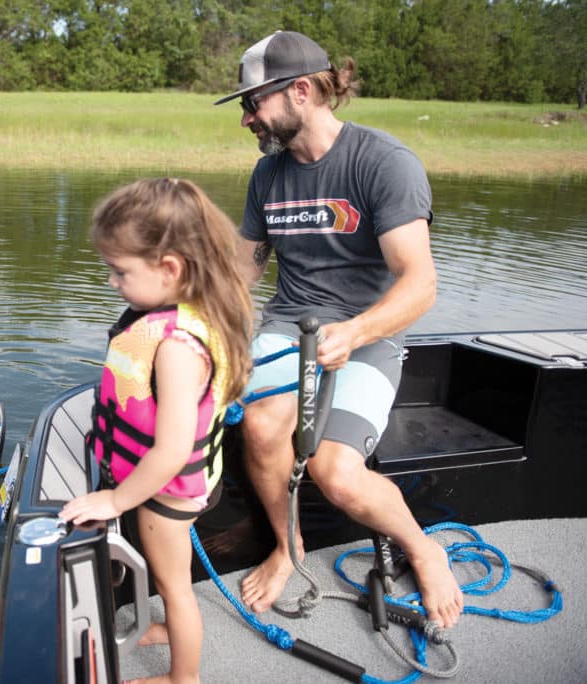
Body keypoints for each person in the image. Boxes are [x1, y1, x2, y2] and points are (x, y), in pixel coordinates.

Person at [213, 30, 464, 629]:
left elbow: (419, 284)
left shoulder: (384, 163)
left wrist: (353, 332)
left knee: (337, 475)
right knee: (264, 427)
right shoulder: (267, 175)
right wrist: (189, 325)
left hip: (369, 336)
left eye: (254, 103)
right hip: (286, 326)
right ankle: (289, 543)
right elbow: (242, 270)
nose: (247, 118)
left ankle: (424, 549)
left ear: (300, 91)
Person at [60, 178, 253, 684]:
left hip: (166, 490)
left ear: (170, 270)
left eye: (120, 272)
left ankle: (180, 677)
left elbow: (169, 451)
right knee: (173, 576)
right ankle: (172, 626)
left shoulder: (175, 347)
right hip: (180, 485)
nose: (111, 282)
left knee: (174, 584)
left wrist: (116, 501)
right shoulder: (191, 313)